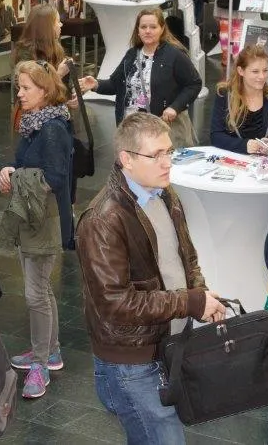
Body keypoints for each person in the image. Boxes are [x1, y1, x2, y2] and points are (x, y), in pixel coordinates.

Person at [77, 112, 225, 444]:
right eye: (156, 154)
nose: (167, 162)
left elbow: (187, 258)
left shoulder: (165, 194)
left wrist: (200, 294)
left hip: (168, 345)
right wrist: (190, 302)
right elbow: (116, 303)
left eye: (169, 151)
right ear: (126, 159)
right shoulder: (103, 220)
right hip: (132, 362)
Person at [0, 61, 73, 399]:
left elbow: (55, 178)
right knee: (41, 290)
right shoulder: (35, 123)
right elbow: (29, 164)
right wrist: (11, 169)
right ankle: (50, 351)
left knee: (35, 294)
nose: (20, 93)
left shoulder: (52, 129)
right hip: (33, 217)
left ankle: (40, 364)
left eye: (26, 87)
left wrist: (17, 177)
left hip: (45, 220)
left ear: (45, 90)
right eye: (19, 86)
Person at [79, 8, 202, 148]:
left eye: (153, 27)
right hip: (132, 131)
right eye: (143, 27)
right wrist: (95, 84)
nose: (147, 31)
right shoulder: (131, 54)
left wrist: (175, 107)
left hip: (161, 130)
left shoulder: (174, 55)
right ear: (138, 30)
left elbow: (194, 84)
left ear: (162, 29)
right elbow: (116, 84)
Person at [210, 45, 268, 155]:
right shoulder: (225, 94)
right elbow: (216, 135)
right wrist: (244, 145)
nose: (262, 76)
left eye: (265, 70)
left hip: (267, 163)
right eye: (255, 71)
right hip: (234, 160)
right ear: (241, 71)